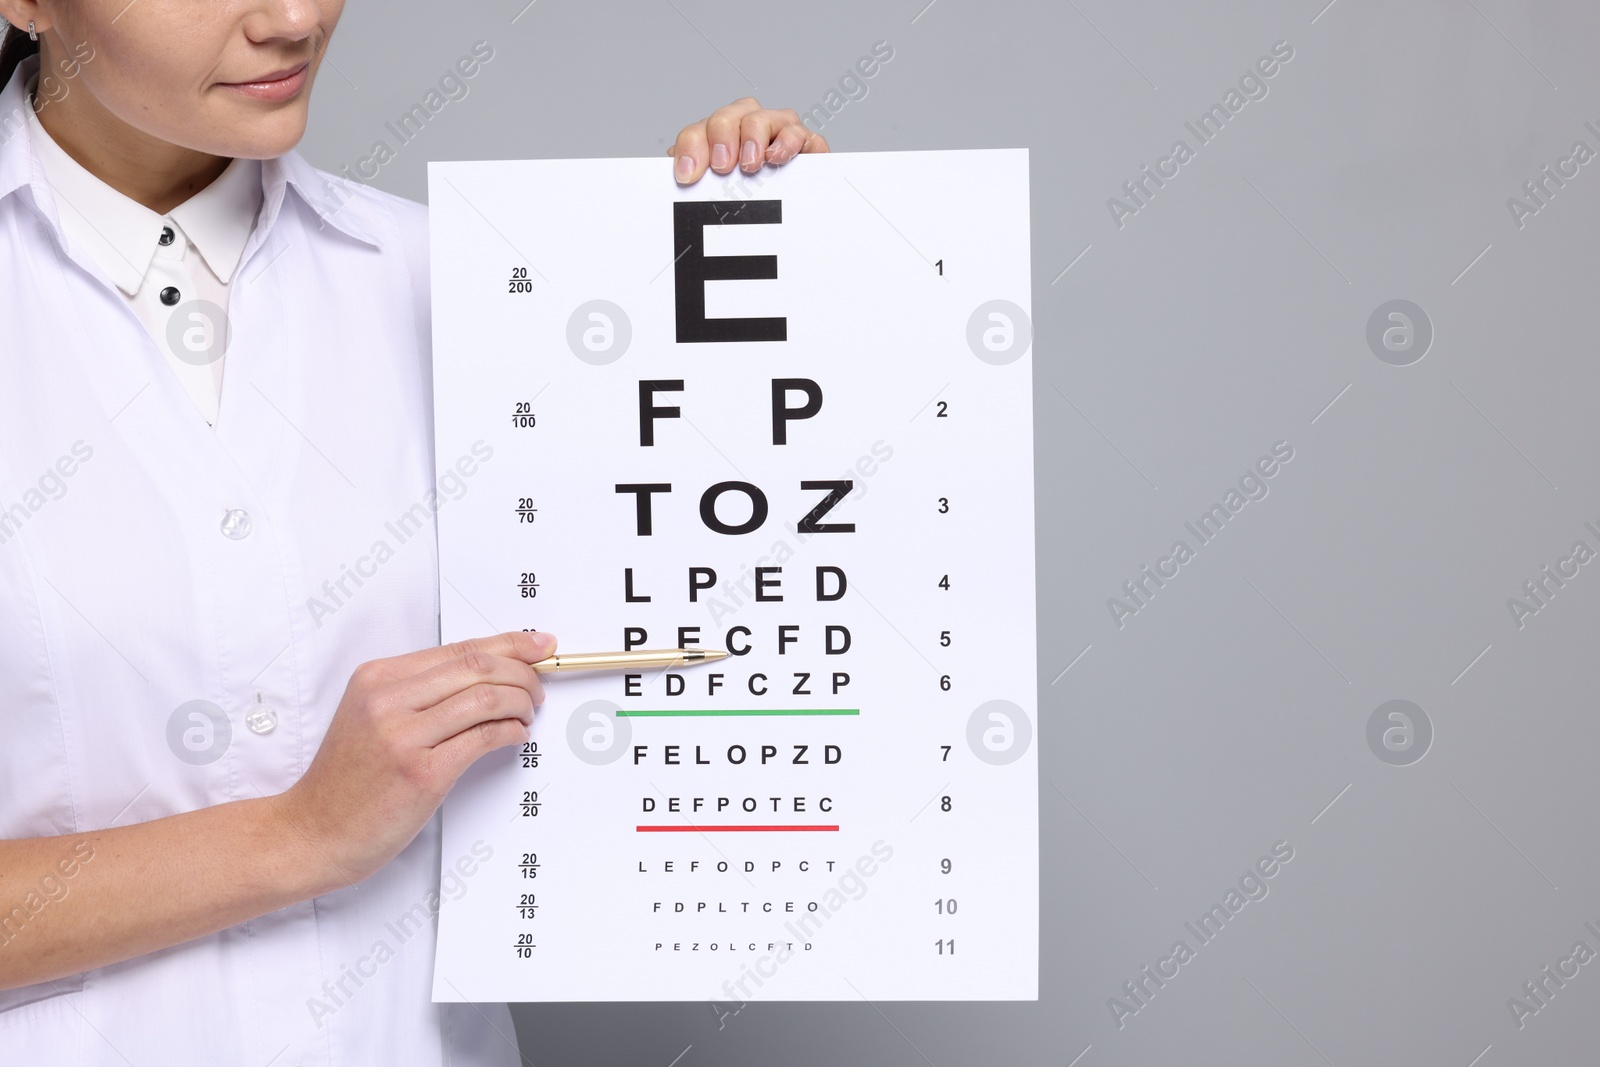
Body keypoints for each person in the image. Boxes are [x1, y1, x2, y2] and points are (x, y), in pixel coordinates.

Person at [0, 2, 826, 1062]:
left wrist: (769, 257)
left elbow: (711, 605)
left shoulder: (472, 288)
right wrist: (298, 835)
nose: (294, 18)